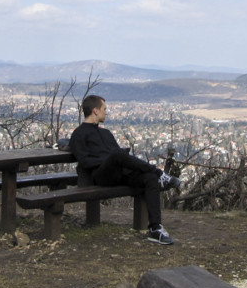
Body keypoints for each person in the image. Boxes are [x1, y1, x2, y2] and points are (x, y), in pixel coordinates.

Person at [69, 95, 181, 245]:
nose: (106, 113)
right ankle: (159, 173)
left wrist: (117, 159)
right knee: (118, 154)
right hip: (100, 176)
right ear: (95, 111)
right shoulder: (79, 134)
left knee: (149, 178)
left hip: (120, 173)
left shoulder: (106, 133)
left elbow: (119, 157)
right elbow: (84, 161)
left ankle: (156, 229)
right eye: (104, 109)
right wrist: (108, 160)